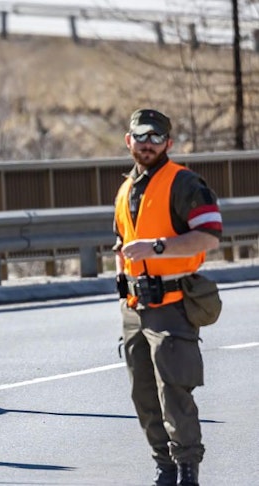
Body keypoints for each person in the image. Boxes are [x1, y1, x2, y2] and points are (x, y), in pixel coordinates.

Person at [113, 109, 222, 486]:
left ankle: (188, 470)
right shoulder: (127, 187)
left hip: (174, 304)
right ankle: (165, 467)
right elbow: (122, 244)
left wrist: (157, 248)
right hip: (135, 309)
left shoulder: (185, 183)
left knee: (175, 393)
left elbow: (208, 236)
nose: (147, 143)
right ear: (129, 141)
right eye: (141, 137)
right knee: (143, 396)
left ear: (168, 143)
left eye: (156, 138)